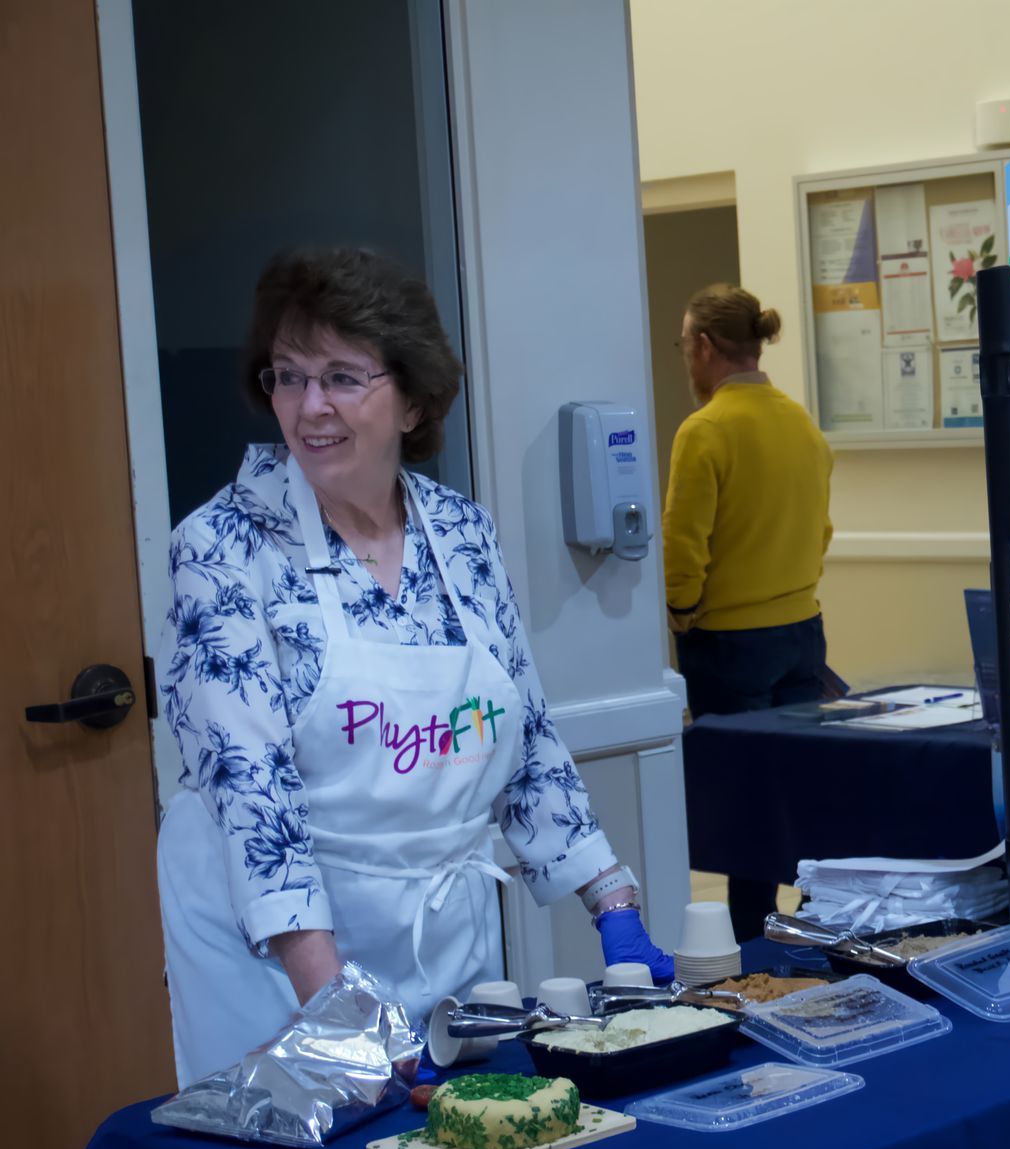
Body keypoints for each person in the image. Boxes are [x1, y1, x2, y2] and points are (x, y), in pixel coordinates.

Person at [156, 247, 672, 1085]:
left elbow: (525, 737)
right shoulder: (222, 549)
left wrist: (611, 900)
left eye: (341, 377)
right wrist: (343, 1013)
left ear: (412, 399)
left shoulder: (461, 535)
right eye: (287, 376)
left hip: (439, 936)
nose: (309, 406)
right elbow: (254, 796)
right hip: (276, 958)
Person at [661, 284, 833, 940]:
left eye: (684, 344)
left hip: (730, 645)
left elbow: (683, 548)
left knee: (742, 807)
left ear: (704, 347)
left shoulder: (704, 431)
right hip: (802, 635)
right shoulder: (801, 424)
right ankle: (812, 926)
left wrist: (682, 615)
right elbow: (821, 533)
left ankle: (752, 947)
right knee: (796, 788)